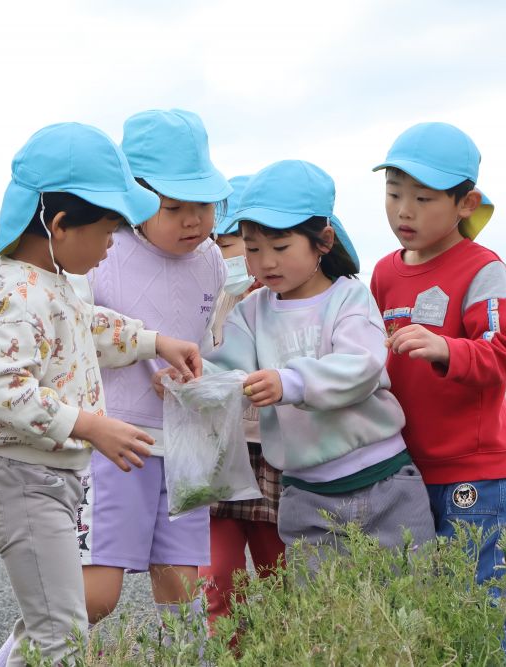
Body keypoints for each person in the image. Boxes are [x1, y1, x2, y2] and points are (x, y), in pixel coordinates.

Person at [0, 122, 203, 667]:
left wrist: (154, 341)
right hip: (20, 479)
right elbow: (5, 389)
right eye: (105, 233)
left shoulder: (50, 283)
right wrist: (90, 425)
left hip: (43, 479)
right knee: (63, 633)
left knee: (51, 624)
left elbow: (89, 327)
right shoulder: (16, 291)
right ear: (60, 225)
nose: (109, 248)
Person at [188, 159, 435, 572]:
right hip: (305, 494)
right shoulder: (252, 312)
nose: (265, 262)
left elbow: (362, 366)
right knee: (324, 617)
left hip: (382, 481)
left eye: (280, 247)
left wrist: (290, 383)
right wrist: (191, 378)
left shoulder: (349, 298)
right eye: (252, 248)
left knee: (410, 598)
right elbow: (226, 370)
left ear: (323, 241)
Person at [369, 122, 506, 664]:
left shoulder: (482, 269)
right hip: (405, 470)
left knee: (477, 600)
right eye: (393, 194)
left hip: (472, 469)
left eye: (422, 198)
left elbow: (501, 353)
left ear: (466, 203)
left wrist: (446, 349)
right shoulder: (384, 275)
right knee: (422, 606)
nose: (403, 211)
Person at [79, 108, 229, 632]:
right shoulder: (104, 250)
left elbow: (203, 341)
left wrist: (194, 374)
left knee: (183, 590)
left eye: (204, 205)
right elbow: (73, 332)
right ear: (136, 198)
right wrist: (150, 347)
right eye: (174, 207)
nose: (193, 220)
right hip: (113, 438)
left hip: (182, 440)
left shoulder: (212, 260)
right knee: (96, 594)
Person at [200, 175, 286, 634]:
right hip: (221, 452)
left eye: (232, 241)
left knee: (281, 581)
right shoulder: (205, 296)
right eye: (219, 239)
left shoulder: (285, 297)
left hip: (275, 450)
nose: (223, 252)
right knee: (215, 583)